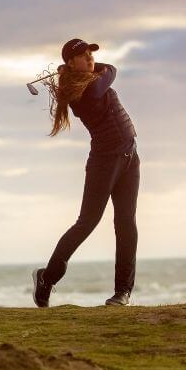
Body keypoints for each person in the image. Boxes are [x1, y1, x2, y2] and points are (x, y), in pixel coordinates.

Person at [31, 38, 141, 307]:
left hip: (130, 157)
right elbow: (112, 70)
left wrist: (77, 68)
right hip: (104, 163)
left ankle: (122, 292)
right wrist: (79, 71)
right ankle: (47, 277)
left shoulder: (88, 79)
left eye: (91, 53)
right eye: (83, 55)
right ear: (71, 63)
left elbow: (104, 70)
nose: (91, 58)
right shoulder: (84, 90)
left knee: (126, 223)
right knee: (87, 222)